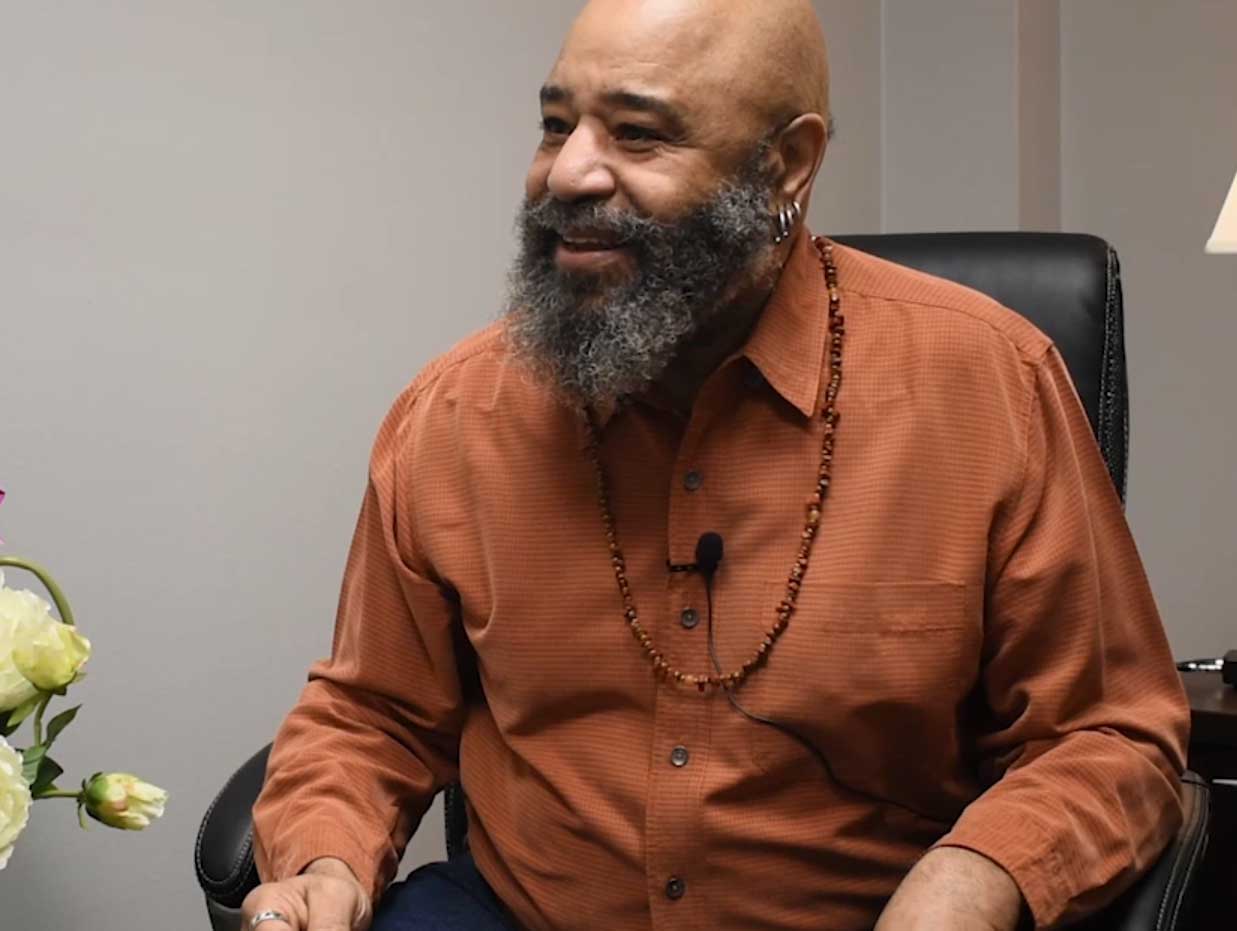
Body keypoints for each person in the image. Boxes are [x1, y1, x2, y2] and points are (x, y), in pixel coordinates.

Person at [243, 1, 1190, 928]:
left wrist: (972, 883)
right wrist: (327, 862)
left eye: (638, 133)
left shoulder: (989, 386)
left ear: (786, 165)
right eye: (554, 124)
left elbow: (1109, 737)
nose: (567, 173)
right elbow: (370, 715)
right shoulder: (454, 412)